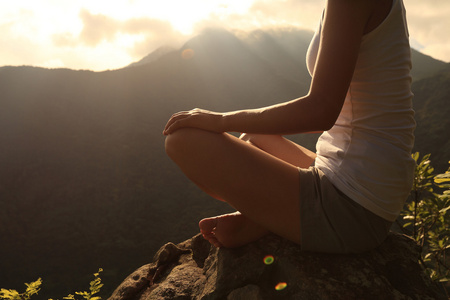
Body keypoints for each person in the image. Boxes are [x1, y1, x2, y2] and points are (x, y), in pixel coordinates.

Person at [163, 0, 416, 253]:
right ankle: (271, 216)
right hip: (365, 184)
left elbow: (320, 111)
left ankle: (267, 217)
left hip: (352, 205)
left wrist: (220, 121)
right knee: (255, 137)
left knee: (182, 140)